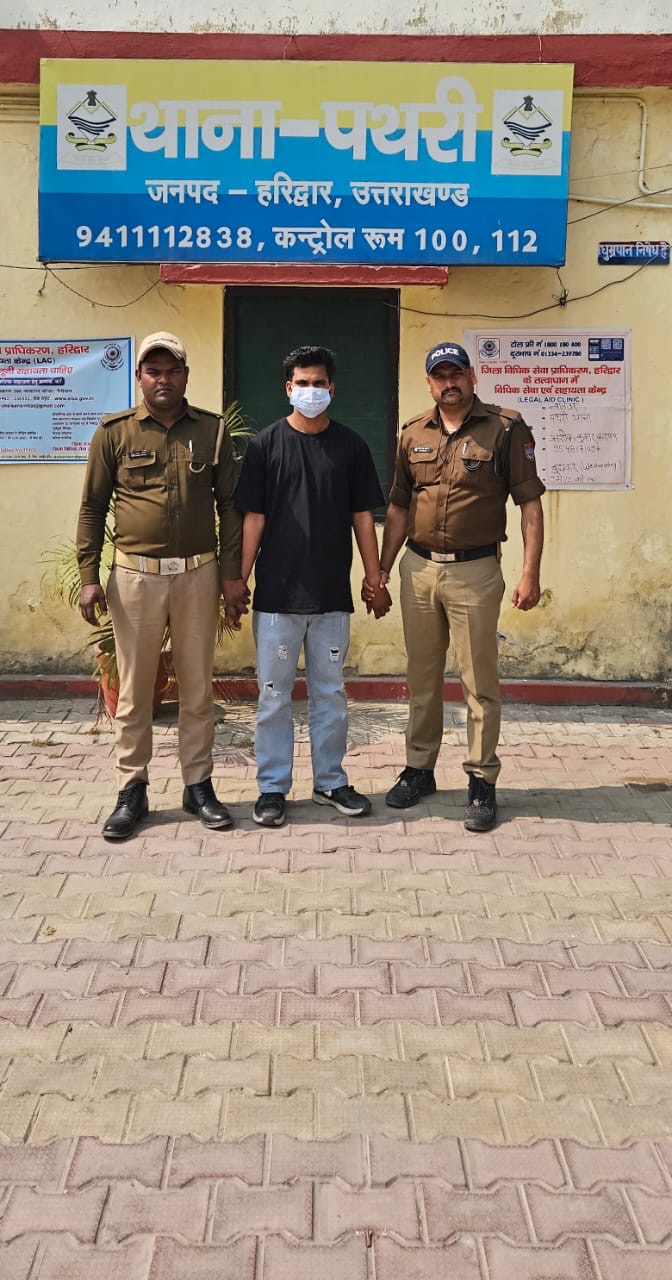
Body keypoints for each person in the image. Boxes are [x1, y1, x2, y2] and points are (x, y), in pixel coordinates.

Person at [77, 331, 248, 841]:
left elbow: (230, 507)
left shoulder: (212, 431)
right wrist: (89, 577)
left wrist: (232, 576)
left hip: (198, 575)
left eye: (172, 370)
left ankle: (198, 786)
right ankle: (132, 789)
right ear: (139, 377)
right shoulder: (113, 433)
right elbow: (93, 507)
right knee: (134, 692)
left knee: (197, 687)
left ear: (186, 375)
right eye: (153, 371)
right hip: (134, 578)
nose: (163, 379)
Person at [371, 340, 544, 832]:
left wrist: (530, 572)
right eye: (440, 376)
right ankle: (419, 769)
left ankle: (481, 779)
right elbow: (399, 506)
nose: (449, 383)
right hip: (419, 568)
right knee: (422, 677)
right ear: (429, 384)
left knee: (479, 682)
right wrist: (382, 570)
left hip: (476, 570)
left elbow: (529, 505)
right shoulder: (412, 434)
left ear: (472, 377)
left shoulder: (505, 429)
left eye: (456, 374)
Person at [235, 344, 390, 828]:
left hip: (330, 599)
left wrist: (374, 577)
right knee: (273, 697)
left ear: (332, 388)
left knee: (331, 695)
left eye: (318, 383)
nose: (310, 391)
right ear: (288, 388)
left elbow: (363, 517)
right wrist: (239, 580)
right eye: (302, 383)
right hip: (276, 599)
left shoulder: (351, 447)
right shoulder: (264, 446)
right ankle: (272, 788)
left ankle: (330, 782)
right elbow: (254, 518)